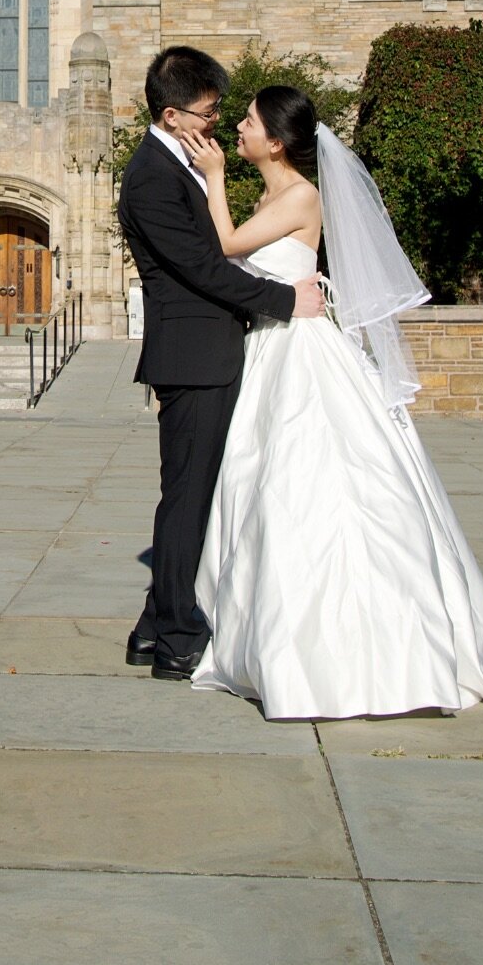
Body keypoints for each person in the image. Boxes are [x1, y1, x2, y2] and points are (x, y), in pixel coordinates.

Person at [179, 85, 483, 719]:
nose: (237, 127)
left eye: (248, 121)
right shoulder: (273, 194)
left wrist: (212, 177)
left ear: (276, 141)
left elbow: (226, 245)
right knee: (262, 484)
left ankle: (362, 653)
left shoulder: (300, 195)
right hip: (270, 344)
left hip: (303, 351)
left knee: (317, 477)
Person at [117, 47, 326, 681]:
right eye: (209, 112)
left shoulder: (178, 162)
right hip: (195, 356)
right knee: (188, 500)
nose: (218, 122)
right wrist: (286, 299)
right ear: (173, 113)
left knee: (191, 494)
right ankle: (180, 635)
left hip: (211, 352)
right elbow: (205, 269)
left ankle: (152, 628)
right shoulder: (151, 176)